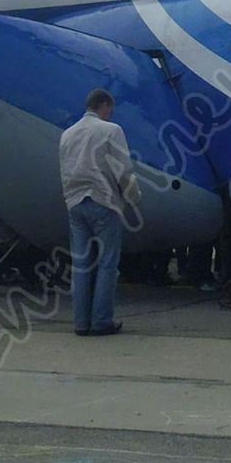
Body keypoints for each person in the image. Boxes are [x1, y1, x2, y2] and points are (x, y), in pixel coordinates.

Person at [60, 88, 136, 336]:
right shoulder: (111, 130)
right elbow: (123, 170)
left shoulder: (67, 135)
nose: (110, 113)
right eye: (109, 109)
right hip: (104, 201)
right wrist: (133, 198)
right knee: (107, 264)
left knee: (81, 264)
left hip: (75, 204)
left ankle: (81, 322)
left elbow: (65, 170)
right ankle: (101, 321)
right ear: (104, 105)